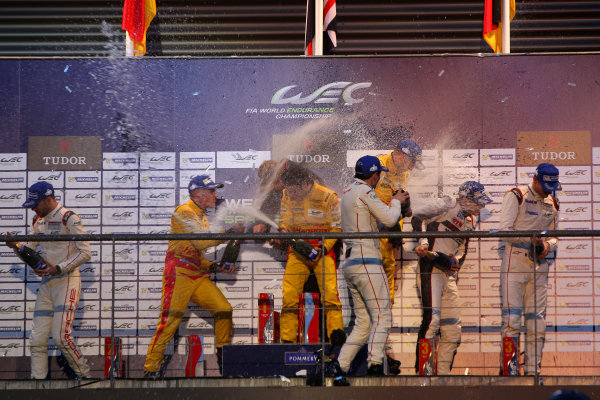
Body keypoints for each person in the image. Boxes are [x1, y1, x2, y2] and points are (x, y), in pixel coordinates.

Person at [144, 175, 244, 377]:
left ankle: (224, 363)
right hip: (178, 275)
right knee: (170, 321)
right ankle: (150, 370)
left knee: (224, 310)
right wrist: (229, 232)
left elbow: (196, 255)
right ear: (198, 194)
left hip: (196, 275)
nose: (216, 195)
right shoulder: (185, 211)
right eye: (212, 191)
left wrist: (216, 266)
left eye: (215, 191)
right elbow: (200, 242)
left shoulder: (200, 215)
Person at [5, 182, 91, 379]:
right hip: (47, 284)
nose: (33, 208)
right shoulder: (38, 220)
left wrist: (59, 268)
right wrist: (16, 246)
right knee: (37, 339)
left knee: (62, 337)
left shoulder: (69, 217)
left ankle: (86, 378)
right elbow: (29, 250)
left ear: (48, 199)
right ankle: (38, 383)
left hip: (67, 280)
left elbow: (86, 252)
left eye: (35, 204)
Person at [337, 156, 409, 376]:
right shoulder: (366, 192)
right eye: (379, 174)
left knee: (364, 323)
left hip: (351, 263)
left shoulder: (348, 192)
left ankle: (339, 366)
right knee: (383, 316)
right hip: (366, 261)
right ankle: (375, 365)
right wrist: (397, 200)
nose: (380, 178)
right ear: (374, 174)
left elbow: (371, 222)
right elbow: (389, 219)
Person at [411, 181, 492, 375]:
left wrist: (455, 261)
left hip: (449, 273)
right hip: (430, 267)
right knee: (432, 322)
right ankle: (424, 376)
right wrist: (423, 243)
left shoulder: (470, 221)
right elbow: (418, 217)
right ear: (464, 199)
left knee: (453, 328)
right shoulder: (448, 204)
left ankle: (444, 376)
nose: (480, 207)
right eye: (477, 203)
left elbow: (463, 248)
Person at [499, 163, 560, 375]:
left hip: (539, 265)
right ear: (535, 179)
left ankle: (533, 372)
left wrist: (546, 246)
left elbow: (554, 237)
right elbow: (504, 231)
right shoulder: (517, 195)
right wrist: (532, 239)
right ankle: (509, 372)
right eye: (545, 186)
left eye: (551, 187)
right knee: (512, 320)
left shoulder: (553, 201)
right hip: (514, 261)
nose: (547, 191)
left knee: (537, 323)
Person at [276, 162, 345, 344]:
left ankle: (335, 340)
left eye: (294, 192)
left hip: (323, 251)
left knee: (330, 295)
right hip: (298, 251)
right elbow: (285, 219)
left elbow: (337, 229)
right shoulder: (286, 194)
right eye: (288, 192)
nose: (291, 195)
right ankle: (288, 341)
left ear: (306, 184)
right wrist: (283, 229)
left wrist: (323, 248)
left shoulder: (329, 197)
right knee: (289, 296)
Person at [375, 139, 424, 304]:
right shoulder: (377, 164)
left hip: (390, 225)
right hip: (372, 226)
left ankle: (387, 306)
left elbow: (397, 199)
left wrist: (404, 213)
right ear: (402, 156)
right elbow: (362, 198)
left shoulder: (405, 174)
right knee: (372, 266)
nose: (411, 167)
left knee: (389, 263)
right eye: (411, 162)